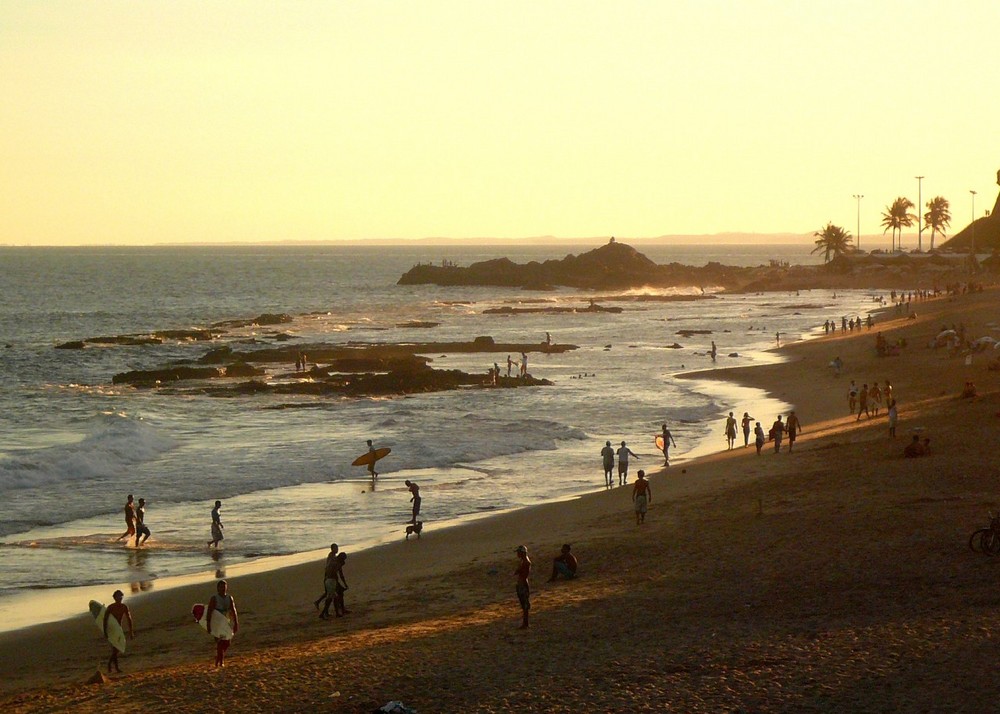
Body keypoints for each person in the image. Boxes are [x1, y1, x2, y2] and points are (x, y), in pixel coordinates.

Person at [207, 580, 239, 667]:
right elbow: (209, 612)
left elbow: (233, 610)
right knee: (220, 643)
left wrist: (236, 622)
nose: (223, 589)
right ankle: (221, 662)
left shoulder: (229, 598)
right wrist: (208, 625)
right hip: (217, 623)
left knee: (227, 642)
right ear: (218, 588)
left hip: (226, 622)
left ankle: (219, 658)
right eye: (221, 587)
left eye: (224, 587)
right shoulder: (214, 598)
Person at [102, 590, 134, 674]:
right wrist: (105, 631)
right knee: (116, 648)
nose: (119, 598)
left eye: (121, 596)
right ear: (114, 598)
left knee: (117, 649)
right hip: (112, 630)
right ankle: (115, 667)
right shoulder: (110, 607)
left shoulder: (124, 607)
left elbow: (129, 619)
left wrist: (131, 631)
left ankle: (110, 664)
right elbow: (105, 620)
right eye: (118, 596)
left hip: (119, 629)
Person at [314, 543, 339, 613]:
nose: (337, 549)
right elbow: (328, 567)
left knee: (328, 594)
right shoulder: (331, 556)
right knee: (330, 595)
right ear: (333, 549)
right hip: (329, 577)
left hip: (329, 577)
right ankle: (324, 611)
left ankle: (322, 606)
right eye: (336, 548)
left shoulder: (333, 556)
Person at [514, 545, 532, 629]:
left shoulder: (526, 562)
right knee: (523, 604)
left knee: (525, 604)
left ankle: (526, 623)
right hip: (521, 583)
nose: (517, 554)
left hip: (523, 584)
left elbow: (524, 575)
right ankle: (525, 622)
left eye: (518, 552)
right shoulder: (523, 561)